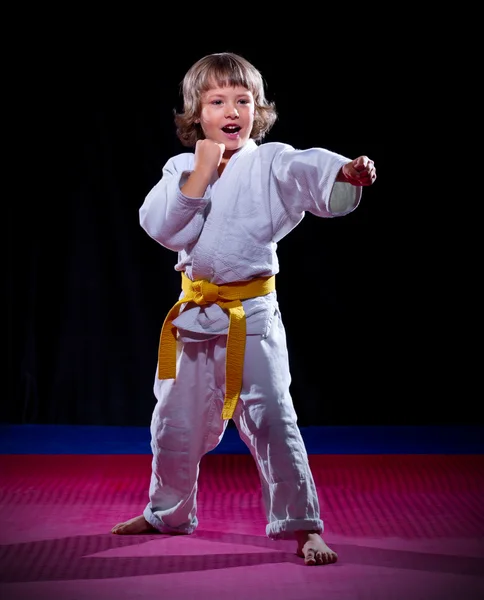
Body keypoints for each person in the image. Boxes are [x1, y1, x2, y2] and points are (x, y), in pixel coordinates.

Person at [112, 51, 377, 566]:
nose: (232, 109)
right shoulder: (182, 167)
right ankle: (167, 512)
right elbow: (164, 228)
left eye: (243, 99)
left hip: (251, 316)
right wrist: (203, 172)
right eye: (217, 101)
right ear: (196, 114)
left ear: (258, 110)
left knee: (274, 419)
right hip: (192, 316)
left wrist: (345, 172)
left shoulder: (271, 160)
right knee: (172, 421)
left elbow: (308, 166)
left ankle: (303, 526)